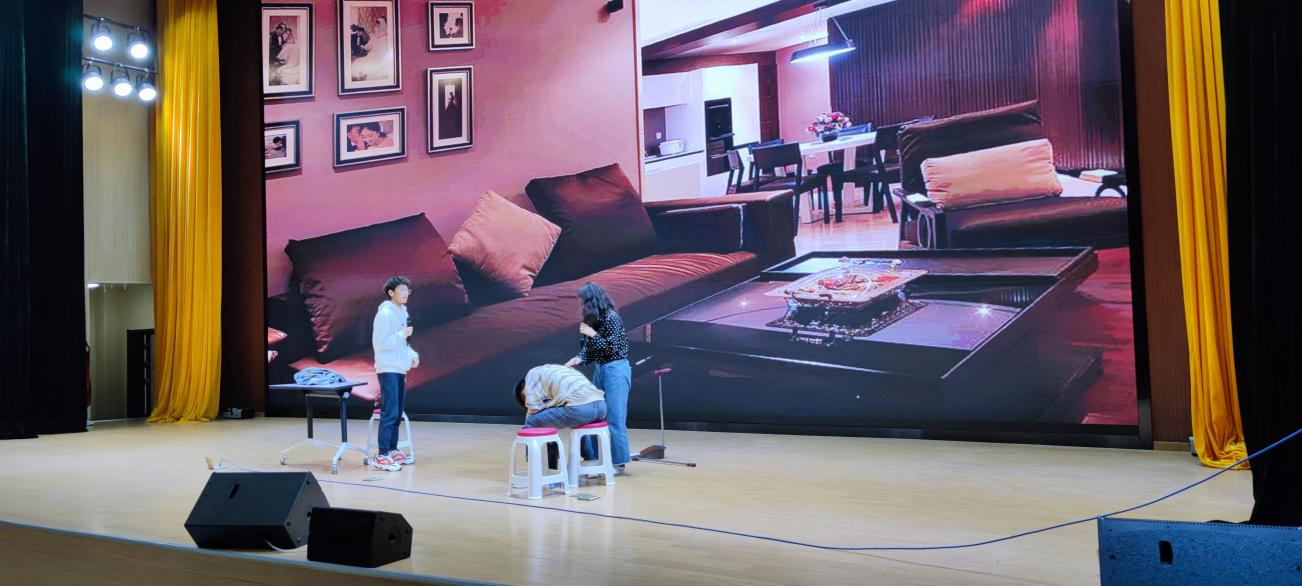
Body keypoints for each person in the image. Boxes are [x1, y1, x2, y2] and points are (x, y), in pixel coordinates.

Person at [564, 282, 631, 472]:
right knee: (593, 413)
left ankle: (618, 464)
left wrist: (593, 334)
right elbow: (590, 350)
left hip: (616, 368)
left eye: (583, 302)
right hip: (601, 368)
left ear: (592, 301)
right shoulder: (592, 320)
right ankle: (594, 458)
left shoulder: (611, 317)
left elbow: (613, 348)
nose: (581, 306)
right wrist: (579, 358)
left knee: (615, 417)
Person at [516, 364, 607, 469]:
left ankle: (536, 469)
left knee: (532, 421)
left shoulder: (531, 377)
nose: (526, 400)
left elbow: (534, 409)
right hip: (601, 406)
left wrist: (531, 417)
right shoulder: (555, 371)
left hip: (581, 408)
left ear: (524, 388)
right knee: (582, 421)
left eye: (524, 397)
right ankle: (590, 461)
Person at [371, 276, 419, 472]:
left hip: (399, 367)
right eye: (402, 290)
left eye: (407, 290)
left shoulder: (402, 311)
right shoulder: (385, 313)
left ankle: (392, 449)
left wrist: (413, 355)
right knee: (389, 412)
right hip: (388, 368)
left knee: (397, 412)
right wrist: (402, 334)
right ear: (391, 293)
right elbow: (381, 344)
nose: (406, 293)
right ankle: (382, 455)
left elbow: (403, 344)